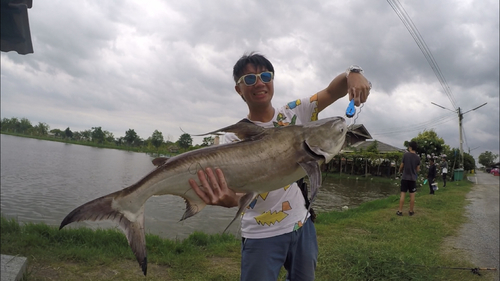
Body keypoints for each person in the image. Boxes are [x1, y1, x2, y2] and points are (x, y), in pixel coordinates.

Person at [187, 52, 371, 281]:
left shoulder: (294, 112)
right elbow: (239, 196)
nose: (260, 82)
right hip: (259, 235)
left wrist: (352, 73)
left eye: (265, 75)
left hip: (301, 226)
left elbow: (333, 91)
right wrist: (228, 200)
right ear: (239, 89)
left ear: (272, 80)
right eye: (250, 79)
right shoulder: (234, 140)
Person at [397, 141, 420, 216]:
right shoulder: (417, 157)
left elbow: (401, 166)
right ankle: (411, 211)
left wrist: (400, 171)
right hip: (412, 179)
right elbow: (418, 169)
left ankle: (400, 211)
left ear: (410, 147)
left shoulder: (405, 155)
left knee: (403, 194)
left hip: (405, 178)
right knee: (412, 195)